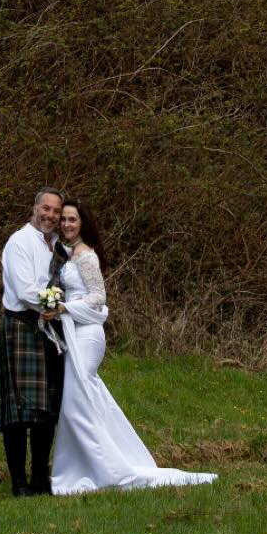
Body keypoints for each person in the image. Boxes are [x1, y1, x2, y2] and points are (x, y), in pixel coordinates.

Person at [49, 200, 217, 497]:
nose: (66, 224)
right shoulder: (69, 255)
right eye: (63, 219)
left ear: (83, 223)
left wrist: (64, 307)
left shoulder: (86, 256)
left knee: (76, 403)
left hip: (87, 335)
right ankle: (86, 467)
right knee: (84, 400)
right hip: (73, 333)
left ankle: (109, 469)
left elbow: (98, 297)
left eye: (72, 219)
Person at [0, 185, 66, 496]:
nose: (50, 215)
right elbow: (24, 291)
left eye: (56, 212)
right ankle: (19, 483)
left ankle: (40, 480)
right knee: (18, 413)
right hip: (22, 327)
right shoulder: (19, 242)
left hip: (50, 331)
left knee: (47, 411)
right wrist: (55, 306)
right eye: (46, 209)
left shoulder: (58, 245)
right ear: (35, 208)